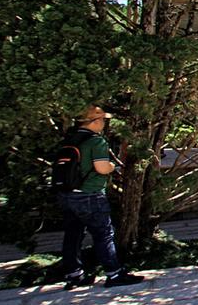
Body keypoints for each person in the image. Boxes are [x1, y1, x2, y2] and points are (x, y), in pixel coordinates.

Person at [59, 107, 144, 290]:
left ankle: (73, 275)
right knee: (103, 235)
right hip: (90, 194)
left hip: (67, 195)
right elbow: (101, 167)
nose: (104, 124)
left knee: (72, 236)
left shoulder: (70, 139)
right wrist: (112, 166)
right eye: (103, 120)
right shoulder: (96, 141)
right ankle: (113, 274)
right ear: (96, 122)